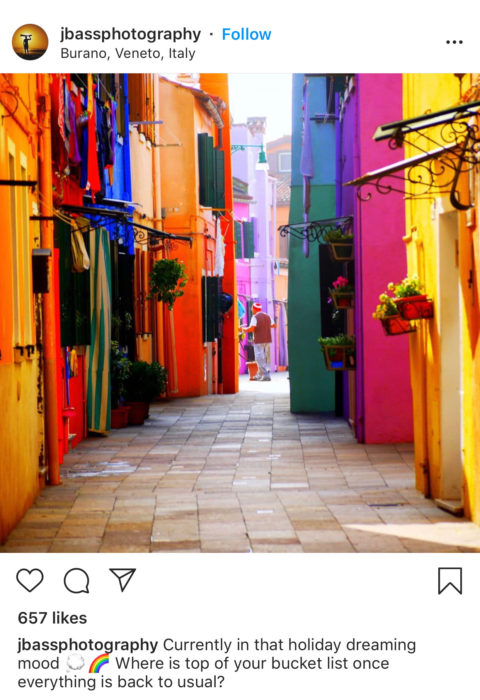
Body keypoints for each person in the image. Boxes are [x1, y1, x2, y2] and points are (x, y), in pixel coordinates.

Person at [240, 302, 276, 381]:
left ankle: (266, 375)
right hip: (267, 340)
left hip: (259, 340)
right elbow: (273, 325)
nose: (251, 310)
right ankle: (259, 375)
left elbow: (251, 329)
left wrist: (242, 329)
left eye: (252, 308)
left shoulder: (255, 317)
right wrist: (264, 326)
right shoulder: (267, 316)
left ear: (255, 309)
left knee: (259, 358)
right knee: (266, 358)